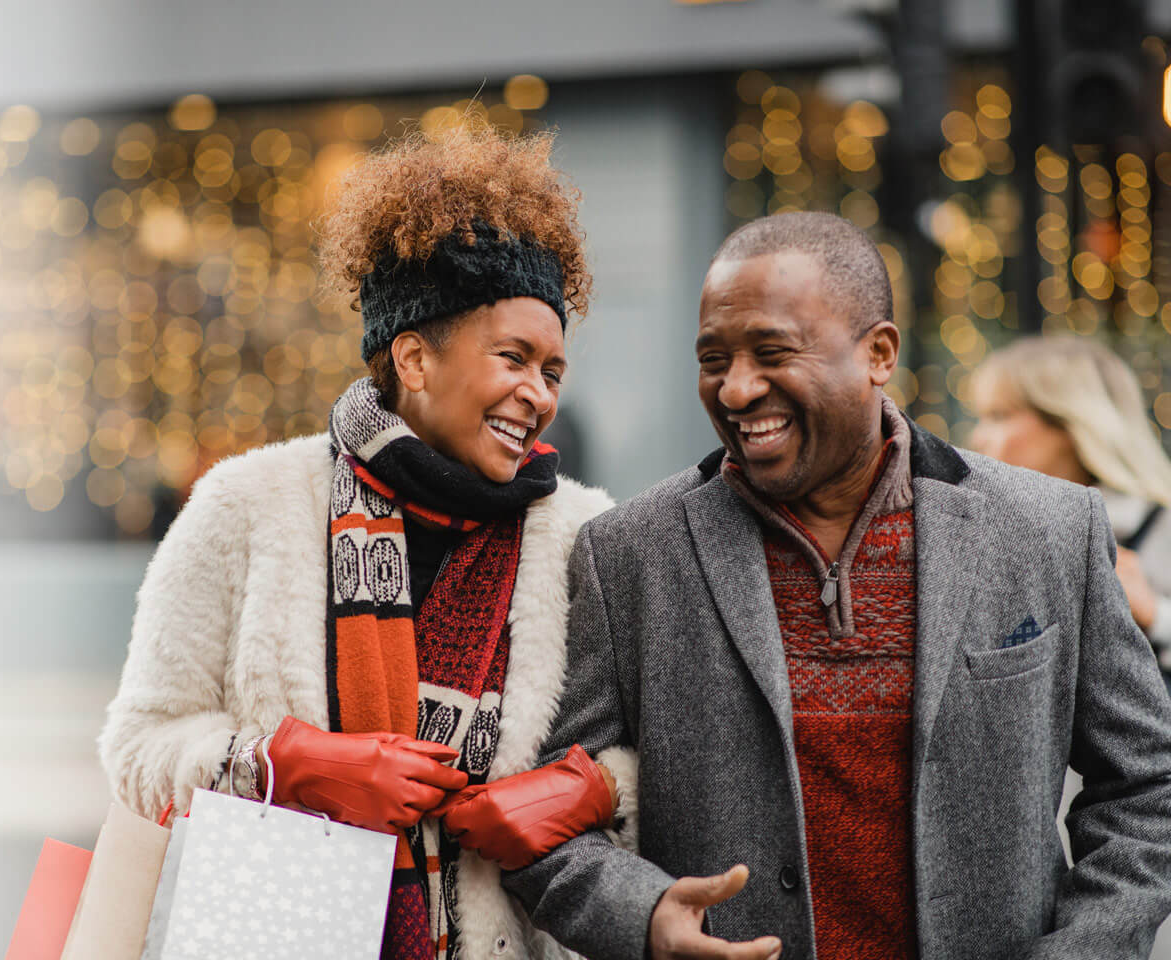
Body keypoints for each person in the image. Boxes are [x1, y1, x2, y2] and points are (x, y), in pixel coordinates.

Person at [476, 211, 1171, 960]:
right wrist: (643, 916)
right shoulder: (629, 553)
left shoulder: (1047, 529)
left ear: (878, 354)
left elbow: (1147, 784)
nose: (738, 390)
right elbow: (539, 814)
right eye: (714, 360)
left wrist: (1083, 950)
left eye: (773, 352)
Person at [99, 121, 635, 960]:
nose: (537, 394)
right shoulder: (246, 505)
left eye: (553, 371)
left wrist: (589, 789)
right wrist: (291, 764)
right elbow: (138, 748)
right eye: (514, 358)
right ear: (414, 360)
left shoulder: (586, 537)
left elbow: (653, 751)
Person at [970, 336, 1171, 683]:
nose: (977, 438)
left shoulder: (1157, 525)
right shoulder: (984, 534)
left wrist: (1154, 615)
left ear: (1070, 424)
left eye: (999, 416)